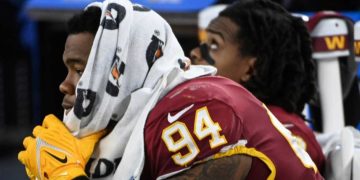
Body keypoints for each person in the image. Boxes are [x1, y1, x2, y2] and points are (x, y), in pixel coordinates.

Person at [18, 0, 323, 179]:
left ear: (124, 70)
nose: (65, 84)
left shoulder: (198, 111)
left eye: (82, 70)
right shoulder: (141, 118)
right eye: (68, 69)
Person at [190, 0, 326, 173]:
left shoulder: (285, 134)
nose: (195, 52)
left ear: (251, 68)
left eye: (214, 45)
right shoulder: (224, 119)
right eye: (203, 42)